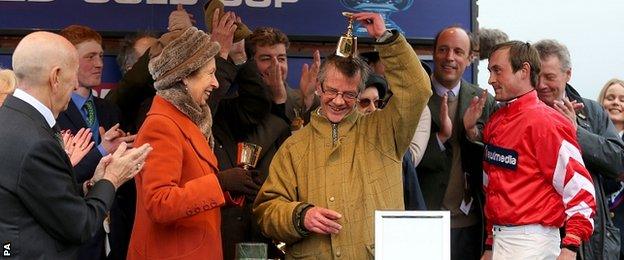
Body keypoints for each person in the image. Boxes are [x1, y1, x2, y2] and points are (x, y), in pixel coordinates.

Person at [253, 12, 432, 259]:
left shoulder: (385, 130)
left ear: (360, 94)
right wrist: (301, 216)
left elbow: (417, 90)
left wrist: (385, 38)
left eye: (349, 95)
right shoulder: (294, 147)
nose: (338, 101)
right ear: (318, 87)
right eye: (331, 91)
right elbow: (266, 212)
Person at [0, 31, 151, 259]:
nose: (74, 86)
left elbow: (45, 197)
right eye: (73, 75)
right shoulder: (36, 142)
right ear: (56, 77)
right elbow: (80, 225)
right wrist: (113, 178)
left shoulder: (11, 118)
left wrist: (92, 184)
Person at [127, 25, 250, 259]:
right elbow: (160, 203)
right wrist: (220, 182)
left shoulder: (188, 121)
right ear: (184, 77)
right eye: (210, 73)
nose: (215, 83)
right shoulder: (161, 125)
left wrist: (229, 189)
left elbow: (191, 191)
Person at [471, 41, 596, 259]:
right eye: (490, 71)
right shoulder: (496, 121)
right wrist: (490, 245)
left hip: (535, 244)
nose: (490, 79)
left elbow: (580, 189)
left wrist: (571, 247)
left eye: (497, 71)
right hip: (501, 240)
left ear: (524, 70)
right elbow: (493, 189)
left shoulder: (547, 122)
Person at [534, 39, 624, 260]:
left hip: (587, 240)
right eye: (537, 76)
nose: (542, 84)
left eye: (550, 77)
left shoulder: (592, 111)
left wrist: (576, 132)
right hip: (537, 234)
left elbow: (618, 160)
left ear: (568, 74)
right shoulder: (520, 112)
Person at [416, 25, 495, 260]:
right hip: (422, 219)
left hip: (468, 225)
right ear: (433, 53)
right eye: (443, 50)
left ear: (470, 59)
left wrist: (472, 132)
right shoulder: (415, 97)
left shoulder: (483, 101)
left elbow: (493, 160)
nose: (450, 57)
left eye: (458, 52)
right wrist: (440, 140)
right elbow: (401, 159)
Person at [597, 78, 624, 259]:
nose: (616, 102)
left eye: (623, 99)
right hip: (596, 238)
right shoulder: (590, 142)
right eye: (610, 97)